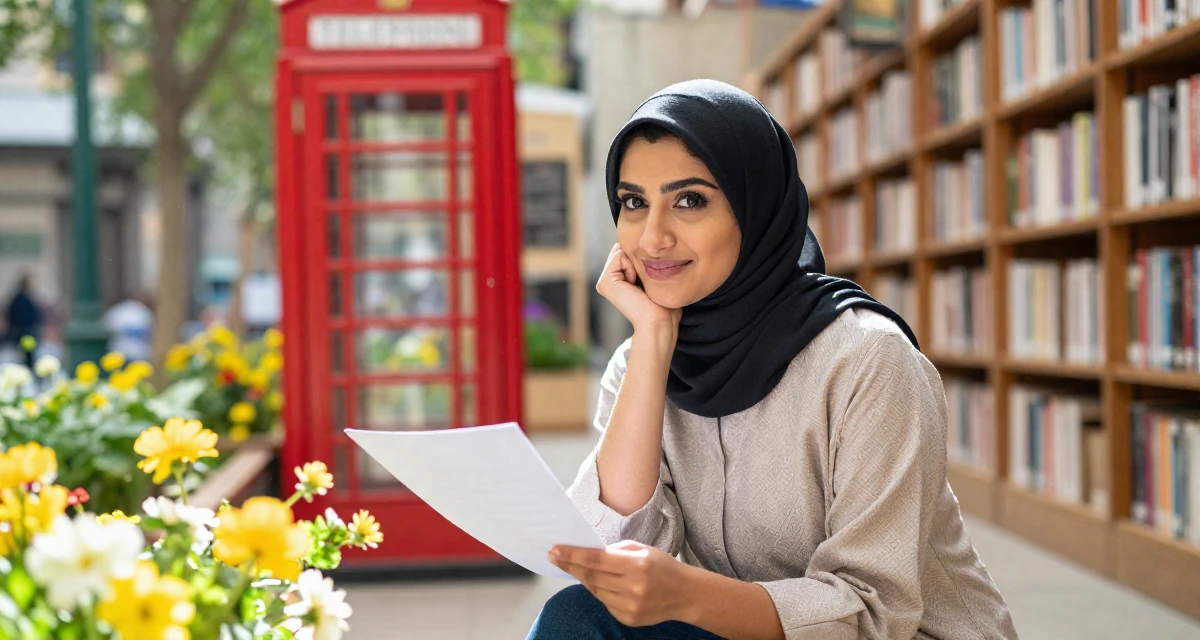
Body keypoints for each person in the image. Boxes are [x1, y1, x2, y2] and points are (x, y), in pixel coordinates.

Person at [527, 80, 1017, 640]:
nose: (653, 237)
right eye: (634, 203)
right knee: (579, 616)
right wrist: (653, 341)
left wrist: (687, 592)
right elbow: (613, 558)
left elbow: (874, 613)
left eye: (689, 200)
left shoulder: (868, 361)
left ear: (755, 208)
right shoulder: (642, 358)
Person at [4, 271, 42, 370]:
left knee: (24, 356)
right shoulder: (25, 299)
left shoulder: (16, 298)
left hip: (21, 332)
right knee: (27, 356)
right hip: (25, 332)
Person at [103, 293, 155, 362]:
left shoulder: (119, 309)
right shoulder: (144, 312)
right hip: (139, 353)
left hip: (118, 353)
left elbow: (107, 325)